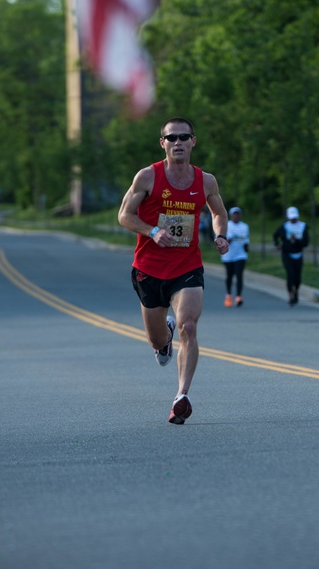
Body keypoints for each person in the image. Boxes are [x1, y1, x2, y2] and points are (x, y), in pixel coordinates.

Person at [118, 117, 230, 425]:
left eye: (184, 137)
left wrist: (220, 235)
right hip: (148, 269)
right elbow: (124, 215)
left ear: (194, 141)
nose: (178, 142)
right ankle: (163, 339)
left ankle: (181, 396)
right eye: (172, 138)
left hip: (187, 266)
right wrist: (152, 231)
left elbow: (218, 211)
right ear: (163, 143)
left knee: (190, 327)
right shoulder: (147, 177)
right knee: (156, 342)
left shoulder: (205, 181)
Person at [273, 206, 310, 306]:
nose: (293, 219)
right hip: (287, 253)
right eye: (291, 217)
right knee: (290, 274)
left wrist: (297, 240)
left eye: (295, 217)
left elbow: (306, 242)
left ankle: (296, 291)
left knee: (297, 277)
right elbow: (275, 235)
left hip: (298, 253)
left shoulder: (303, 226)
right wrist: (277, 244)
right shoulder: (284, 227)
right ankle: (291, 296)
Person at [221, 206, 250, 307]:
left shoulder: (245, 227)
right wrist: (229, 240)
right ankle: (228, 295)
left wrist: (247, 248)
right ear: (231, 215)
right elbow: (223, 240)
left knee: (239, 275)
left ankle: (238, 297)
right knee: (229, 276)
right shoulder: (226, 226)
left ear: (240, 215)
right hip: (228, 255)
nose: (236, 216)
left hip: (241, 255)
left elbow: (246, 240)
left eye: (238, 214)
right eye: (234, 214)